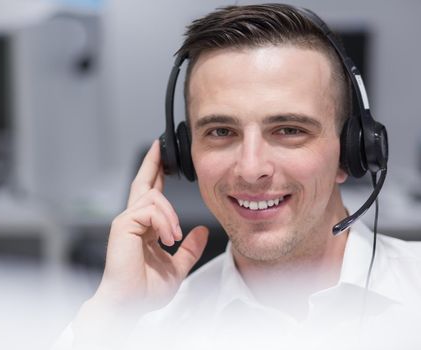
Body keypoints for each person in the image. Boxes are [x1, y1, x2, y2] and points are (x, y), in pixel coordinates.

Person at [54, 4, 421, 349]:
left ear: (352, 152)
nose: (250, 168)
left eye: (289, 130)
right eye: (220, 132)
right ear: (183, 155)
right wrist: (114, 312)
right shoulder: (151, 326)